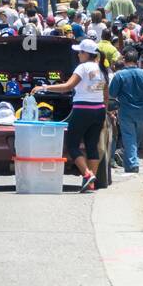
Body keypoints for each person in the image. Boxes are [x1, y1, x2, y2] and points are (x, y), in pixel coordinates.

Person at [34, 38, 108, 192]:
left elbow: (67, 87)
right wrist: (105, 111)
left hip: (83, 110)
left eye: (80, 52)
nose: (78, 55)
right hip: (99, 110)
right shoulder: (101, 69)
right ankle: (91, 183)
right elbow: (104, 93)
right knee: (91, 146)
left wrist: (44, 87)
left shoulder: (82, 68)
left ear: (86, 54)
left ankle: (87, 175)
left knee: (72, 144)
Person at [110, 48, 143, 173]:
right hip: (142, 111)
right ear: (136, 60)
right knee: (136, 137)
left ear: (124, 60)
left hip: (126, 110)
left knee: (129, 137)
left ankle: (132, 163)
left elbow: (112, 94)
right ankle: (130, 161)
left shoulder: (119, 75)